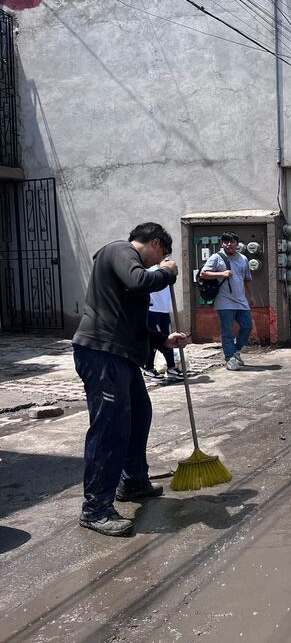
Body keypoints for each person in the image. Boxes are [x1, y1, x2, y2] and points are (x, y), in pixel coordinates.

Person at [72, 223, 187, 536]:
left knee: (139, 416)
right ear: (154, 243)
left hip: (120, 355)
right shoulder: (120, 250)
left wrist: (162, 340)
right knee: (110, 429)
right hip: (102, 354)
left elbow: (129, 322)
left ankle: (133, 482)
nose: (156, 262)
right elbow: (140, 282)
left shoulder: (124, 264)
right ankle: (96, 508)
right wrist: (167, 272)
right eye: (160, 255)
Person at [199, 232, 255, 371]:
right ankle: (229, 358)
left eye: (231, 241)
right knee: (227, 331)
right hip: (224, 301)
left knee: (247, 326)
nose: (229, 244)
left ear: (237, 243)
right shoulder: (216, 257)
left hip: (241, 300)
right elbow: (203, 273)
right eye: (225, 242)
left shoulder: (243, 258)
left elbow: (247, 278)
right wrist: (221, 274)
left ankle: (236, 351)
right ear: (222, 244)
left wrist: (251, 296)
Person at [142, 267, 184, 382]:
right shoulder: (149, 268)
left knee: (168, 337)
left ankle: (171, 367)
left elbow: (174, 272)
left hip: (164, 309)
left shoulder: (166, 268)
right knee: (154, 339)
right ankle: (148, 368)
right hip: (153, 309)